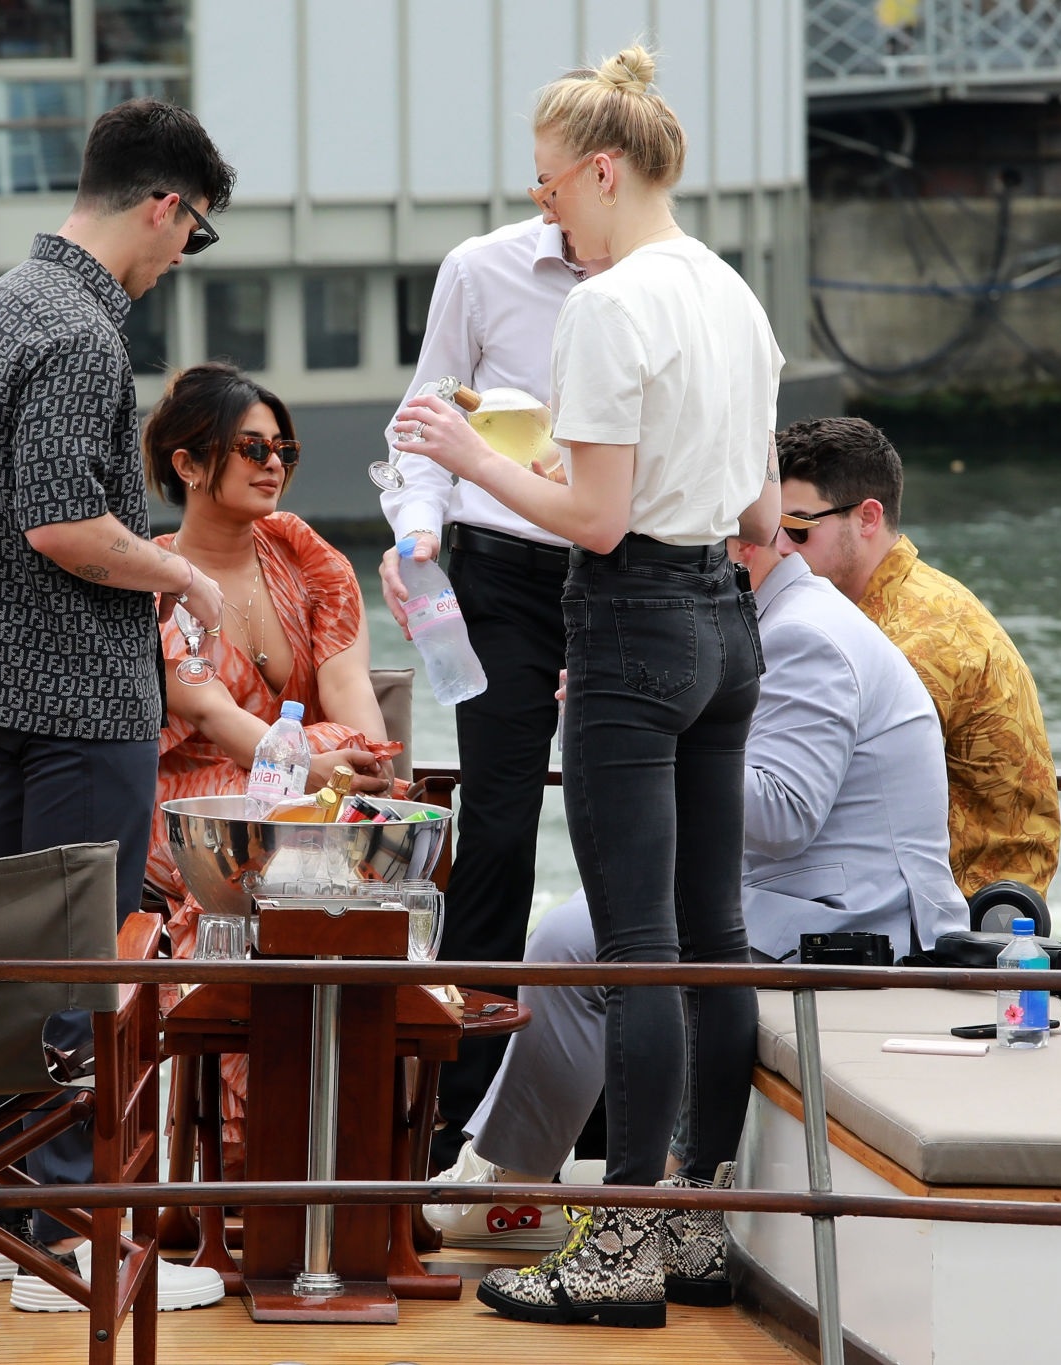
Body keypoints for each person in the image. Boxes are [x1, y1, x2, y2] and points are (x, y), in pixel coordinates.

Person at [393, 46, 782, 1327]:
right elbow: (758, 508)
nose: (546, 209)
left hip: (627, 619)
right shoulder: (730, 293)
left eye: (553, 185)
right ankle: (695, 1220)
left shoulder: (608, 307)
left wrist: (464, 451)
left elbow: (596, 521)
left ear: (601, 171)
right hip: (726, 625)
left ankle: (615, 1245)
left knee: (639, 949)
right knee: (712, 939)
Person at [449, 534, 967, 1306]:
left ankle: (524, 1193)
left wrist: (644, 737)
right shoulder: (779, 619)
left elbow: (785, 813)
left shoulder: (802, 633)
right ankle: (518, 1182)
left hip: (853, 922)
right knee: (599, 933)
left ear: (740, 544)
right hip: (811, 899)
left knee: (582, 941)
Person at [0, 98, 233, 1313]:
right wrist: (182, 571)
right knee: (72, 977)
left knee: (18, 970)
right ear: (163, 203)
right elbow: (62, 522)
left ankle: (7, 1223)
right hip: (76, 698)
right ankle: (61, 1239)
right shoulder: (76, 333)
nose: (178, 258)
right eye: (191, 233)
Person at [378, 207, 603, 1174]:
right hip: (501, 576)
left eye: (556, 171)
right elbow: (421, 421)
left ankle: (608, 1107)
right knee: (501, 832)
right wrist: (415, 534)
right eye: (537, 175)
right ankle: (452, 1119)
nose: (542, 193)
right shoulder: (483, 268)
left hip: (621, 571)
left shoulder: (664, 279)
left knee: (620, 833)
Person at [140, 363, 397, 1178]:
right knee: (266, 860)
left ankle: (336, 1147)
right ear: (189, 463)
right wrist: (314, 760)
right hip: (192, 800)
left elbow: (352, 694)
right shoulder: (157, 577)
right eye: (250, 446)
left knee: (364, 865)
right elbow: (210, 712)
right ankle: (252, 1150)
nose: (273, 462)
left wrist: (347, 767)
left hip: (307, 794)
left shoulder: (306, 557)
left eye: (282, 445)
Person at [775, 417, 1061, 896]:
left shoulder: (921, 640)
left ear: (868, 517)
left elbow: (806, 802)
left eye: (799, 530)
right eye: (772, 529)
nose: (780, 547)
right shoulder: (894, 607)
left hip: (957, 918)